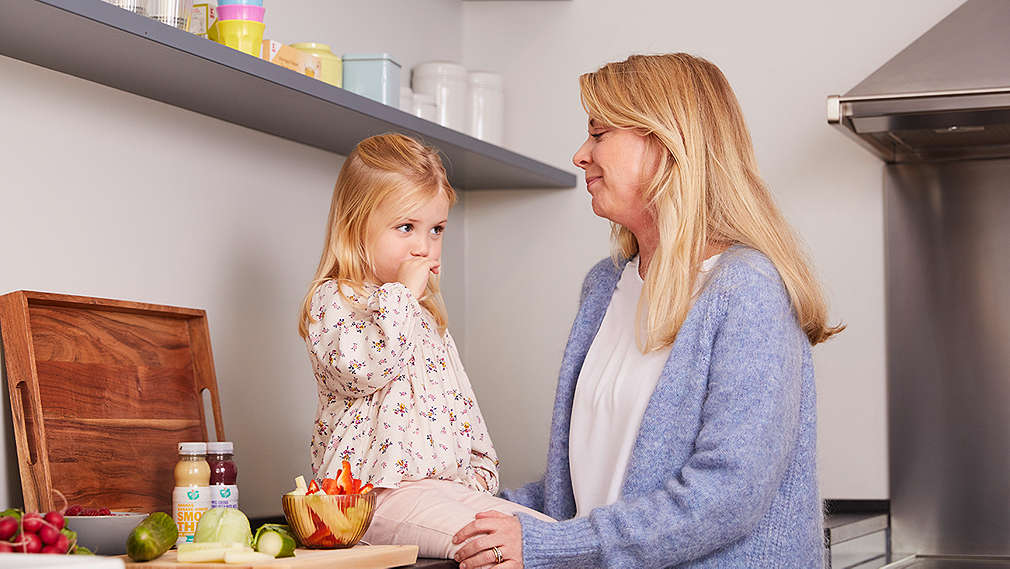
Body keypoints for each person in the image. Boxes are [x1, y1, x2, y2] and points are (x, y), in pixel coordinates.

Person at [453, 53, 844, 568]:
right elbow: (589, 483)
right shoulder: (605, 285)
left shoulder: (747, 290)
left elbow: (726, 496)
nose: (580, 154)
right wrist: (470, 513)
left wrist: (553, 546)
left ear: (664, 142)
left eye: (598, 133)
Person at [297, 133, 553, 559]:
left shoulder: (423, 314)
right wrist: (401, 296)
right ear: (355, 225)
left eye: (436, 229)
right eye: (406, 228)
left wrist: (478, 472)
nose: (424, 246)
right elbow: (363, 370)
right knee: (496, 549)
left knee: (548, 538)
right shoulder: (335, 301)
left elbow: (458, 401)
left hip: (443, 489)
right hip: (373, 497)